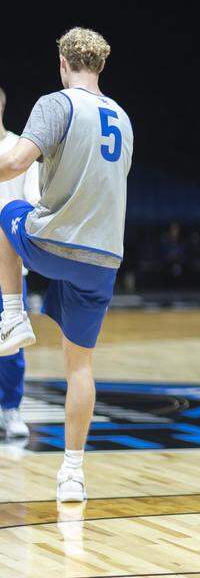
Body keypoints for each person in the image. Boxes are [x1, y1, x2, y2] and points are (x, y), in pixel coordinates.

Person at [0, 27, 134, 501]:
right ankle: (73, 474)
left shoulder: (56, 104)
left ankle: (12, 316)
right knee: (80, 366)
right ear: (101, 66)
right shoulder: (123, 116)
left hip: (54, 242)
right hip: (103, 257)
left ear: (62, 62)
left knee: (6, 213)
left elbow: (16, 163)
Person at [0, 85, 40, 440]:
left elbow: (33, 203)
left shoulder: (19, 150)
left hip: (8, 270)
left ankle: (9, 409)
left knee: (10, 345)